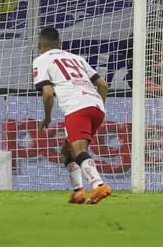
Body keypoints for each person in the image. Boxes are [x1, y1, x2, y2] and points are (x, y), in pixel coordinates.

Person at [33, 25, 111, 204]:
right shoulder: (77, 58)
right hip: (97, 106)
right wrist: (97, 106)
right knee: (66, 153)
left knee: (78, 150)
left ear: (39, 45)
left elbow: (47, 92)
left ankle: (98, 185)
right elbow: (103, 85)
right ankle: (78, 192)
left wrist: (47, 117)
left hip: (77, 107)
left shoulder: (41, 60)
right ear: (60, 44)